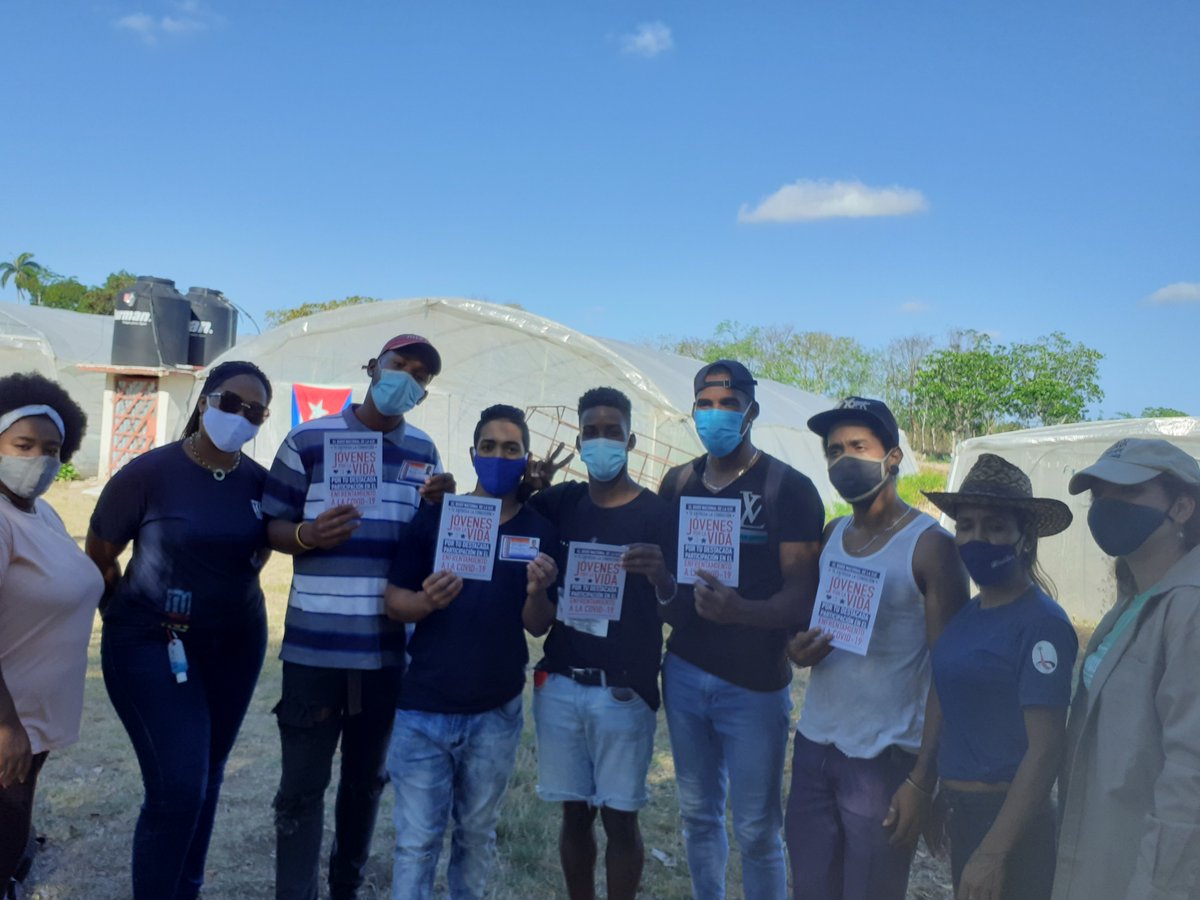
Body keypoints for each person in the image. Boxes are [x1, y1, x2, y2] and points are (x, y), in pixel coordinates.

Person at [262, 334, 454, 900]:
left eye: (421, 375)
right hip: (314, 648)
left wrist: (441, 507)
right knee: (300, 787)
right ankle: (295, 892)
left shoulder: (424, 451)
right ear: (373, 367)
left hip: (388, 651)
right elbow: (270, 525)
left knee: (367, 782)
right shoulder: (308, 439)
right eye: (400, 365)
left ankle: (345, 886)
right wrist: (306, 534)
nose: (407, 379)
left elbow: (427, 543)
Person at [86, 361, 274, 900]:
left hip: (237, 643)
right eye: (230, 402)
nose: (240, 416)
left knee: (208, 776)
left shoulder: (261, 484)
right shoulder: (148, 475)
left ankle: (185, 890)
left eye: (254, 411)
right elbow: (100, 555)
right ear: (205, 401)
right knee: (177, 789)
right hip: (151, 641)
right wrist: (126, 617)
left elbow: (265, 548)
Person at [786, 396, 968, 900]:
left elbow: (949, 674)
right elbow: (812, 632)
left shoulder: (931, 547)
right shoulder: (833, 534)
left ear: (892, 458)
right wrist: (799, 650)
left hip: (885, 761)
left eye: (858, 446)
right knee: (811, 889)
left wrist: (920, 780)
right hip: (815, 746)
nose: (844, 459)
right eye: (834, 450)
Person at [657, 360, 823, 900]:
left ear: (752, 410)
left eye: (729, 404)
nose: (716, 415)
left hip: (755, 686)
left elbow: (802, 595)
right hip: (682, 675)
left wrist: (740, 612)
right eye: (705, 404)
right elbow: (669, 581)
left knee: (756, 829)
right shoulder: (677, 483)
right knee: (698, 816)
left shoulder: (788, 488)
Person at [383, 405, 559, 900]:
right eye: (489, 447)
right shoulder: (436, 518)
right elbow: (394, 602)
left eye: (511, 449)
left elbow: (539, 625)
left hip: (494, 712)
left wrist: (536, 592)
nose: (499, 456)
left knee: (476, 837)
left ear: (525, 460)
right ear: (472, 453)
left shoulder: (542, 531)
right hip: (422, 711)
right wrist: (425, 601)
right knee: (416, 843)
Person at [526, 387, 674, 900]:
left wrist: (661, 578)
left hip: (624, 691)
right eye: (592, 432)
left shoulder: (657, 514)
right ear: (579, 439)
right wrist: (527, 482)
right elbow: (510, 515)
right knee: (573, 813)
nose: (602, 442)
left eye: (613, 432)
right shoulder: (561, 504)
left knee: (621, 820)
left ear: (630, 439)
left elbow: (677, 608)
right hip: (562, 683)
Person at [922, 453, 1077, 900]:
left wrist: (993, 852)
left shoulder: (1041, 624)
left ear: (1023, 537)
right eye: (966, 525)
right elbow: (955, 706)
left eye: (993, 526)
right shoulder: (968, 615)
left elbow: (1046, 751)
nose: (976, 538)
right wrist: (935, 786)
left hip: (1011, 826)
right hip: (963, 813)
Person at [1052, 438, 1200, 900]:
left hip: (1144, 874)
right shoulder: (1135, 598)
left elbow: (1189, 772)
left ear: (1181, 507)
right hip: (1104, 850)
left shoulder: (1189, 608)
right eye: (1099, 496)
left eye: (1129, 494)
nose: (1106, 508)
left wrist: (1157, 885)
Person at [0, 374, 102, 896]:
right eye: (23, 445)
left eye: (52, 449)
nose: (38, 458)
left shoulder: (43, 512)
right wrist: (7, 726)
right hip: (9, 724)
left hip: (33, 722)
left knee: (13, 832)